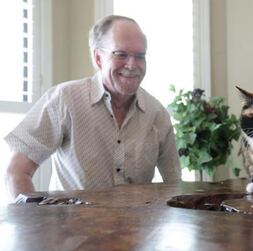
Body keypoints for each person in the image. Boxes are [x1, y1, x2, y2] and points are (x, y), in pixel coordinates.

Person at [4, 15, 181, 200]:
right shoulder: (64, 100)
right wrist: (38, 225)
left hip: (140, 228)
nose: (132, 65)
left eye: (140, 56)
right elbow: (16, 173)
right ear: (98, 58)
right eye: (121, 54)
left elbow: (175, 184)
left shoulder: (157, 114)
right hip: (71, 227)